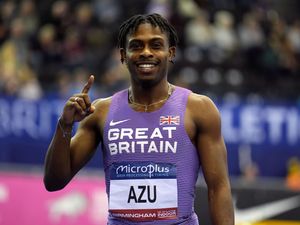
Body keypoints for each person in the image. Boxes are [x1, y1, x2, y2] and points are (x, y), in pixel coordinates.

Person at [43, 13, 234, 225]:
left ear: (170, 53)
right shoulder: (100, 112)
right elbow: (54, 182)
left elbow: (219, 188)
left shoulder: (199, 109)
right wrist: (65, 124)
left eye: (155, 45)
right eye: (136, 46)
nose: (146, 52)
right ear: (123, 55)